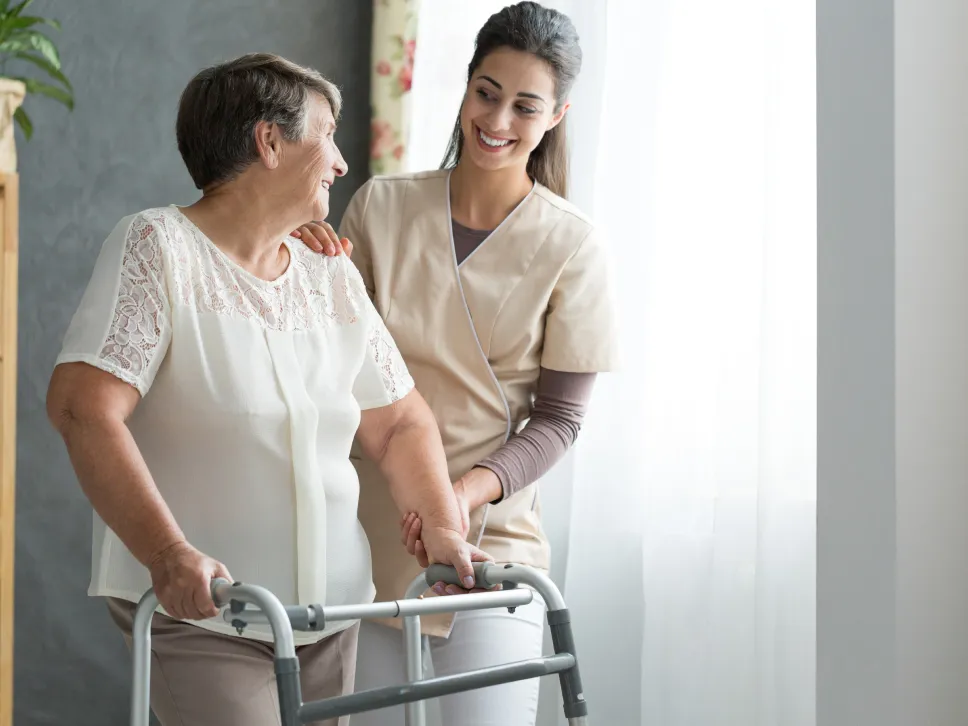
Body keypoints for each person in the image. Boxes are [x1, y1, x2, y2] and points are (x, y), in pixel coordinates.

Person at [46, 53, 487, 726]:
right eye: (328, 136)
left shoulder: (327, 271)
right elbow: (82, 407)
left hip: (330, 615)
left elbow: (398, 423)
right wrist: (168, 555)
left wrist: (443, 527)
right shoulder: (159, 249)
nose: (341, 163)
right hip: (206, 614)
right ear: (270, 141)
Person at [293, 3, 620, 724]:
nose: (498, 119)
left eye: (525, 105)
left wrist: (464, 494)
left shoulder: (574, 246)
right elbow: (328, 365)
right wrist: (301, 269)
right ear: (466, 86)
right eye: (487, 92)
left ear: (557, 115)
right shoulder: (379, 208)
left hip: (491, 550)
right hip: (372, 545)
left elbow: (561, 421)